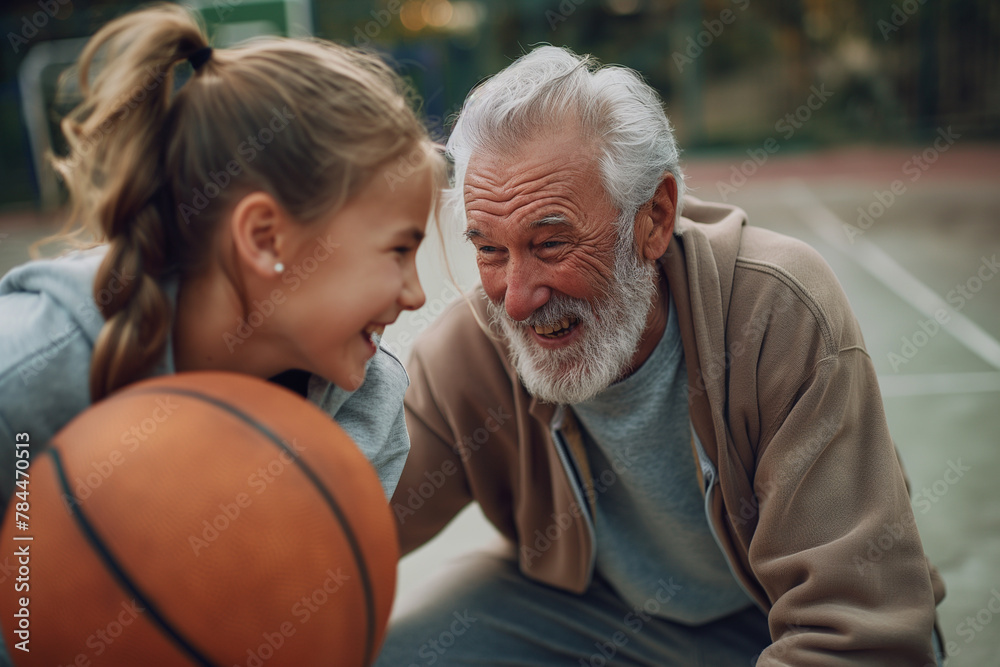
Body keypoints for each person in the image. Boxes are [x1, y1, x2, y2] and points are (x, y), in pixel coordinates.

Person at [378, 46, 946, 666]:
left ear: (654, 216)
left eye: (551, 242)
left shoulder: (776, 313)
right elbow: (349, 525)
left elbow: (863, 635)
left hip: (763, 620)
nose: (515, 300)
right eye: (488, 250)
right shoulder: (474, 348)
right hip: (593, 609)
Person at [0, 7, 442, 528]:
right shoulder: (25, 381)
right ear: (263, 238)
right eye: (397, 251)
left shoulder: (370, 411)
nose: (417, 295)